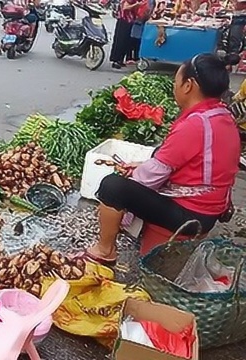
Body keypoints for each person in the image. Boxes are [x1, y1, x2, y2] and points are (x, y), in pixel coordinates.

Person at [75, 54, 240, 267]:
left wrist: (134, 176)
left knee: (112, 187)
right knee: (146, 167)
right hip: (212, 209)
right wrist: (143, 166)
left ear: (188, 86)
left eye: (176, 82)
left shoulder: (195, 125)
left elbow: (150, 176)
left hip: (191, 215)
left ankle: (105, 250)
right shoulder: (222, 116)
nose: (175, 88)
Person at [110, 0, 145, 69]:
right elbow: (125, 8)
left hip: (130, 20)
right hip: (124, 20)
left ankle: (121, 60)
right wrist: (136, 5)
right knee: (120, 40)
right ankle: (115, 60)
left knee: (126, 41)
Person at [126, 0, 154, 65]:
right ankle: (130, 57)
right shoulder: (147, 1)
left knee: (137, 40)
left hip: (140, 21)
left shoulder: (151, 1)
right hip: (138, 20)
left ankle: (135, 56)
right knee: (133, 39)